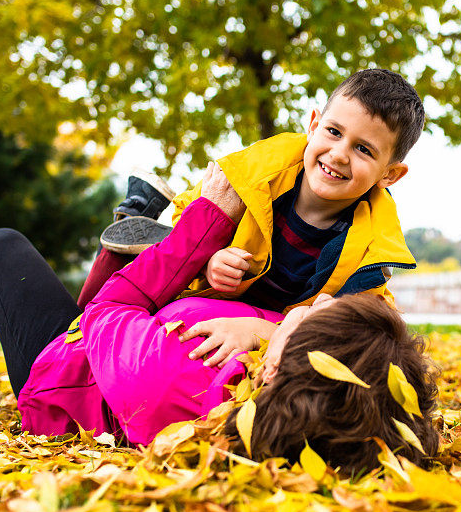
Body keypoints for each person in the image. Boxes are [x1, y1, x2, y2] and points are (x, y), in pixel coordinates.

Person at [0, 165, 439, 472]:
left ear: (283, 362)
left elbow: (112, 308)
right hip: (117, 348)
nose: (320, 302)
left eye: (319, 315)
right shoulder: (274, 386)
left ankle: (127, 230)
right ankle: (129, 226)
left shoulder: (191, 364)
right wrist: (263, 322)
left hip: (65, 373)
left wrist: (207, 220)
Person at [77, 69, 425, 368]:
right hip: (208, 291)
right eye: (333, 132)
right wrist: (209, 260)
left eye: (363, 149)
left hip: (267, 320)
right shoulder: (256, 174)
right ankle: (136, 220)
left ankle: (136, 210)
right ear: (314, 124)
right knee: (96, 304)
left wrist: (263, 333)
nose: (339, 154)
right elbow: (198, 214)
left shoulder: (372, 251)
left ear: (390, 174)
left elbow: (351, 327)